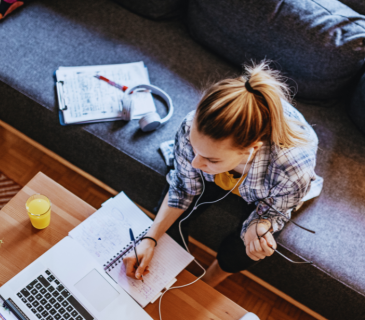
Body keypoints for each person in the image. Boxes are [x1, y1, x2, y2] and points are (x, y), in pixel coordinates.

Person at [123, 61, 323, 287]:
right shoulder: (192, 125)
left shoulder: (292, 168)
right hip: (233, 168)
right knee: (174, 217)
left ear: (251, 150)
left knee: (241, 252)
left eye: (210, 159)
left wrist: (259, 226)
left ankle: (211, 279)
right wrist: (150, 239)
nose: (196, 163)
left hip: (271, 182)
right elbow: (181, 188)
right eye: (195, 149)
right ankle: (172, 266)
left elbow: (275, 211)